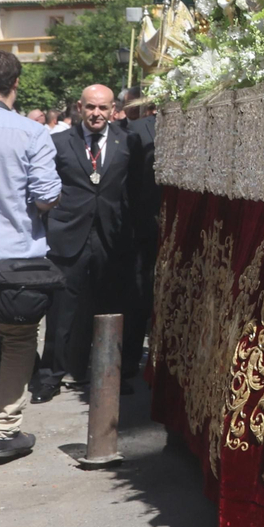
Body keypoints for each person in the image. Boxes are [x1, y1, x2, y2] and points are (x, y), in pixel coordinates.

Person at [33, 83, 142, 400]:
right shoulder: (58, 142)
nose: (97, 113)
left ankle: (112, 375)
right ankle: (50, 377)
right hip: (69, 236)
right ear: (80, 108)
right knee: (61, 312)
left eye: (103, 107)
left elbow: (133, 189)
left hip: (112, 236)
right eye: (91, 107)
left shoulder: (128, 142)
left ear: (113, 110)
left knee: (112, 309)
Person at [0, 50, 62, 462]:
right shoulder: (30, 133)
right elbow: (47, 197)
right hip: (12, 258)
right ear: (15, 84)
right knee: (17, 340)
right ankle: (3, 432)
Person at [117, 85, 158, 380]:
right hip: (145, 228)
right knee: (139, 297)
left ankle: (132, 361)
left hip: (146, 227)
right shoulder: (134, 131)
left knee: (140, 297)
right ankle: (131, 361)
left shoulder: (134, 130)